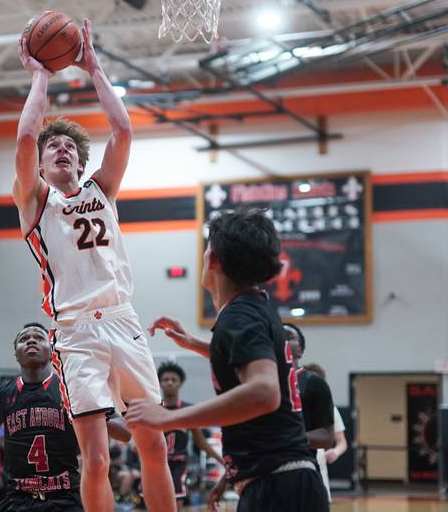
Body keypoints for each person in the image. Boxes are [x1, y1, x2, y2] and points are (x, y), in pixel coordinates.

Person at [14, 20, 175, 512]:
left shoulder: (101, 191)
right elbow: (24, 137)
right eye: (52, 147)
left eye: (69, 148)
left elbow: (122, 130)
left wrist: (95, 67)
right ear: (40, 166)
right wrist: (40, 76)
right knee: (98, 459)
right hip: (77, 331)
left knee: (154, 444)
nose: (60, 149)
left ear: (81, 164)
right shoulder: (35, 201)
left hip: (123, 319)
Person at [125, 209, 329, 512]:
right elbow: (250, 357)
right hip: (285, 482)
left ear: (213, 259)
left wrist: (168, 418)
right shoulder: (254, 306)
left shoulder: (240, 314)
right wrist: (193, 343)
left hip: (278, 486)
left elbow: (264, 392)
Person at [0, 323, 130, 512]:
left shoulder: (72, 388)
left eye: (39, 337)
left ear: (52, 350)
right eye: (24, 339)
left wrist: (90, 412)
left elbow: (125, 432)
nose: (31, 340)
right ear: (16, 354)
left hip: (65, 497)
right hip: (18, 498)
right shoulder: (1, 394)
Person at [156, 361, 223, 509]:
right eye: (166, 379)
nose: (170, 383)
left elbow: (201, 442)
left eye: (174, 380)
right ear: (159, 383)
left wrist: (221, 460)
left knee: (175, 506)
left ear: (180, 383)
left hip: (178, 465)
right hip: (157, 464)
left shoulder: (188, 410)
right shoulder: (154, 409)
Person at [282, 324, 335, 452]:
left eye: (288, 337)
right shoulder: (259, 382)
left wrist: (286, 440)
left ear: (300, 350)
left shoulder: (314, 383)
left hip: (299, 463)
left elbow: (327, 437)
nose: (282, 340)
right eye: (277, 336)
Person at [302, 362, 347, 501]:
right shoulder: (290, 405)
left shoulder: (330, 409)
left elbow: (342, 441)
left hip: (318, 467)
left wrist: (335, 452)